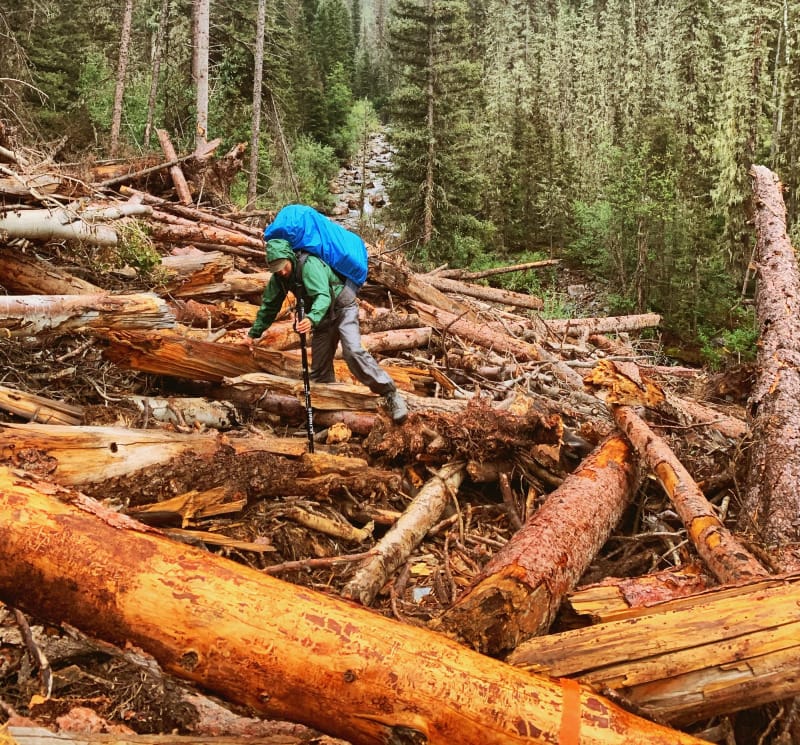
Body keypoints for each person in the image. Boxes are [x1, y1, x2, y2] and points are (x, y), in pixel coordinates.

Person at [245, 237, 408, 424]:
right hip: (322, 317)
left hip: (342, 308)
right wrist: (252, 335)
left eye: (283, 265)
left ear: (289, 257)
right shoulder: (279, 279)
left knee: (353, 352)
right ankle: (329, 415)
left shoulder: (309, 265)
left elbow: (323, 296)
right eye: (276, 268)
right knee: (319, 371)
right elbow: (268, 307)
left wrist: (310, 318)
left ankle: (391, 394)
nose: (282, 271)